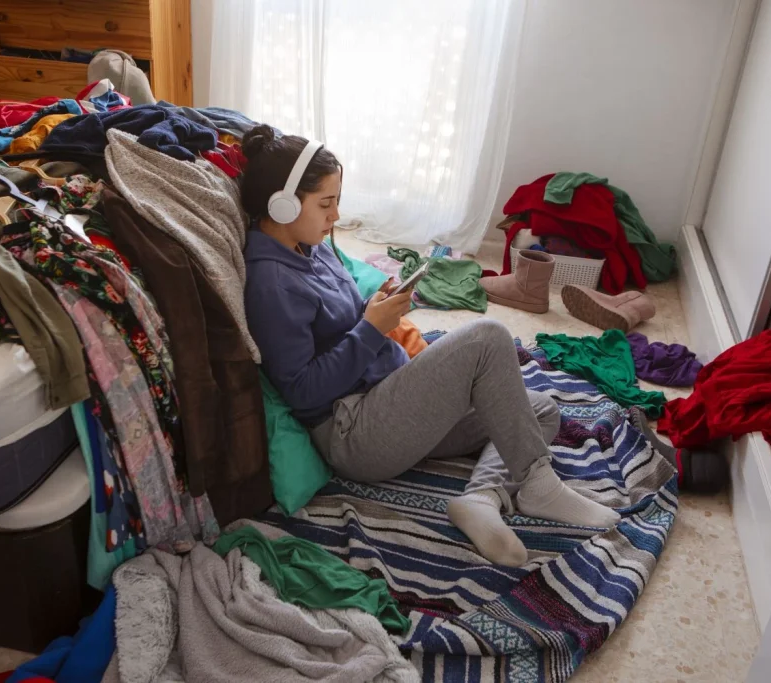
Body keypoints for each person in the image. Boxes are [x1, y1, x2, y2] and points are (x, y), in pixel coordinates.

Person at [240, 125, 620, 566]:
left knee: (537, 409)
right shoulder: (270, 282)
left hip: (391, 399)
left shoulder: (312, 247)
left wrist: (373, 307)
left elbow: (338, 323)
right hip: (356, 432)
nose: (336, 216)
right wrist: (372, 329)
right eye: (326, 204)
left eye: (337, 201)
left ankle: (481, 498)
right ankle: (537, 484)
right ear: (282, 205)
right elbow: (301, 390)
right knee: (487, 338)